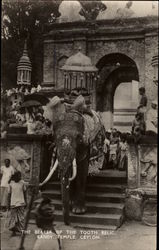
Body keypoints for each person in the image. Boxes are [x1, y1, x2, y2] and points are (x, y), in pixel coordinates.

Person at [8, 171, 27, 236]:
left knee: (21, 218)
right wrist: (8, 204)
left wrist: (25, 201)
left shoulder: (22, 183)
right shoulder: (11, 183)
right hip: (13, 203)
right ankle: (14, 232)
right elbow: (9, 194)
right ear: (15, 177)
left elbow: (24, 193)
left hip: (21, 202)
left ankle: (22, 231)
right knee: (13, 218)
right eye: (18, 176)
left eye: (20, 176)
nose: (19, 178)